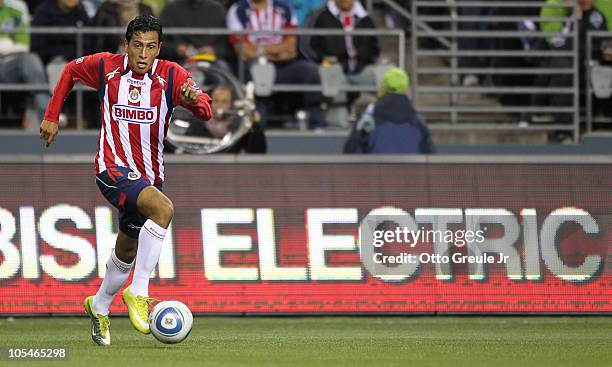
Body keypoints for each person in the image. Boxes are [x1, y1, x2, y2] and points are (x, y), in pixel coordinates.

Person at [38, 15, 212, 346]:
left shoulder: (173, 75)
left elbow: (206, 109)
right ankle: (139, 292)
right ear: (126, 46)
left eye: (150, 47)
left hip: (149, 177)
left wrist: (193, 101)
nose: (143, 54)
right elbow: (70, 71)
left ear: (158, 48)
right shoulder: (106, 67)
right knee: (164, 211)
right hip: (111, 168)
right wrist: (51, 115)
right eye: (137, 46)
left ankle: (100, 305)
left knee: (128, 248)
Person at [227, 0, 327, 128]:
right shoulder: (237, 10)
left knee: (311, 71)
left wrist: (260, 50)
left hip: (283, 65)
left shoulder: (284, 8)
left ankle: (317, 125)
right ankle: (258, 127)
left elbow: (290, 49)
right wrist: (277, 50)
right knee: (259, 74)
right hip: (253, 66)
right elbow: (243, 51)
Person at [344, 68, 434, 154]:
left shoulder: (367, 119)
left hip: (375, 169)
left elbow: (350, 152)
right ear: (406, 90)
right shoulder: (419, 123)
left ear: (383, 88)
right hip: (412, 170)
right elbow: (430, 157)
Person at [0, 0, 53, 131]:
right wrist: (6, 43)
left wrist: (3, 46)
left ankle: (49, 116)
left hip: (10, 64)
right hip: (9, 55)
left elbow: (23, 45)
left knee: (31, 59)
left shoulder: (17, 7)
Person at [181, 84, 267, 153]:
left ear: (231, 105)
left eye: (224, 102)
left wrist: (256, 126)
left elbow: (258, 152)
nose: (219, 105)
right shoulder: (198, 122)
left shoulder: (238, 125)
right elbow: (186, 150)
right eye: (216, 101)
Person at [159, 0, 230, 68]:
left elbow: (227, 43)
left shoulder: (218, 9)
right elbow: (159, 42)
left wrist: (214, 50)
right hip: (178, 61)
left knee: (223, 75)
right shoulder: (170, 9)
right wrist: (176, 49)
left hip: (213, 61)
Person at [31, 0, 91, 65]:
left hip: (77, 62)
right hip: (48, 62)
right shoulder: (43, 11)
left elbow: (87, 45)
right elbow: (37, 45)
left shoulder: (82, 12)